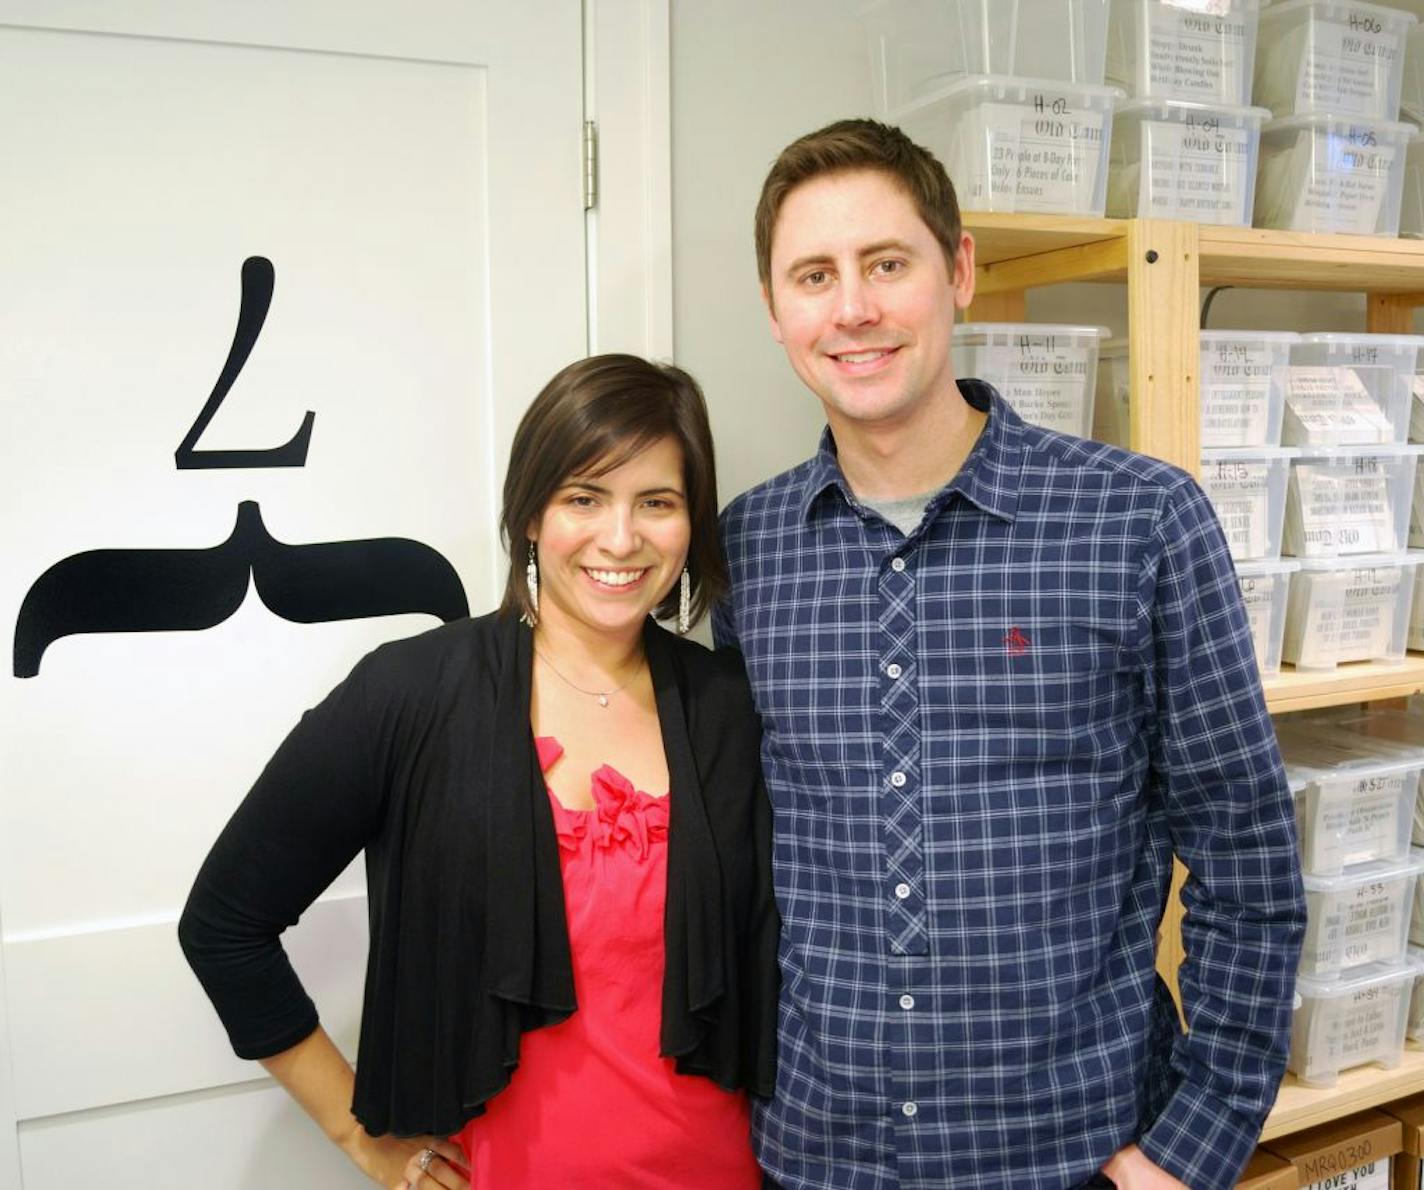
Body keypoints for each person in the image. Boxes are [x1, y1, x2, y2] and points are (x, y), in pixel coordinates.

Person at [713, 119, 1306, 1190]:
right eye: (813, 275)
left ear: (959, 272)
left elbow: (1244, 857)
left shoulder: (1137, 522)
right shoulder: (745, 553)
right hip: (814, 1157)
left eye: (885, 263)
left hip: (1070, 1157)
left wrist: (1196, 1140)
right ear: (774, 310)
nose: (850, 307)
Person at [180, 353, 777, 1190]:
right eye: (584, 498)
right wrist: (364, 1140)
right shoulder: (413, 692)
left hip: (717, 1171)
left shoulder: (728, 706)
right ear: (531, 513)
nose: (620, 538)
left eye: (658, 503)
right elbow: (223, 925)